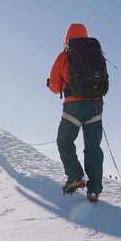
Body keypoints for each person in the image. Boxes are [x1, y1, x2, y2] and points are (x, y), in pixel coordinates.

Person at [47, 23, 108, 202]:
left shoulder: (64, 56)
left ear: (67, 38)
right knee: (93, 148)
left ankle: (75, 176)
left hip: (74, 107)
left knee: (64, 140)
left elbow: (55, 86)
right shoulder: (96, 54)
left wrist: (51, 84)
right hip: (95, 107)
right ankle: (94, 189)